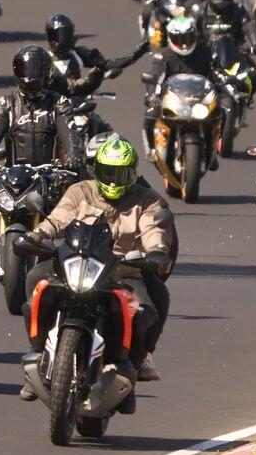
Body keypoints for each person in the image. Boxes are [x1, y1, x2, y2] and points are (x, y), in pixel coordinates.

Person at [24, 134, 176, 392]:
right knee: (34, 279)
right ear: (97, 170)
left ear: (132, 173)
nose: (113, 180)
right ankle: (40, 352)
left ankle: (136, 362)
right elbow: (58, 218)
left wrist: (156, 250)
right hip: (73, 263)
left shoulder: (148, 199)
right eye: (108, 172)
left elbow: (154, 229)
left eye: (120, 174)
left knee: (154, 302)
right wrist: (36, 235)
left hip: (124, 270)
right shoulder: (80, 190)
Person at [0, 46, 73, 169]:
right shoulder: (7, 104)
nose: (29, 77)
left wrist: (74, 156)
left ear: (47, 72)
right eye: (25, 70)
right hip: (13, 176)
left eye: (35, 70)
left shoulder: (59, 103)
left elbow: (70, 136)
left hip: (51, 175)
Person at [138, 14, 220, 118]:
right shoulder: (163, 56)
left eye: (187, 38)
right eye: (179, 39)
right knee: (152, 114)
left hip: (201, 103)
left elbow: (217, 73)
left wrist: (225, 81)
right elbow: (156, 77)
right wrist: (154, 97)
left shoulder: (206, 53)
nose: (184, 44)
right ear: (170, 38)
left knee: (222, 112)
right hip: (172, 102)